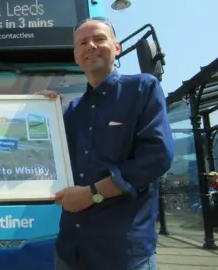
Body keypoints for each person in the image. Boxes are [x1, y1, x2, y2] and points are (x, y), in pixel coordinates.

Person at [37, 17, 174, 270]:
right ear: (76, 55)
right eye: (82, 43)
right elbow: (50, 162)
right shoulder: (72, 111)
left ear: (117, 47)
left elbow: (157, 157)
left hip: (121, 252)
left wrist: (93, 194)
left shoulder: (143, 88)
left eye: (99, 39)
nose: (90, 46)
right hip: (70, 250)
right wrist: (40, 113)